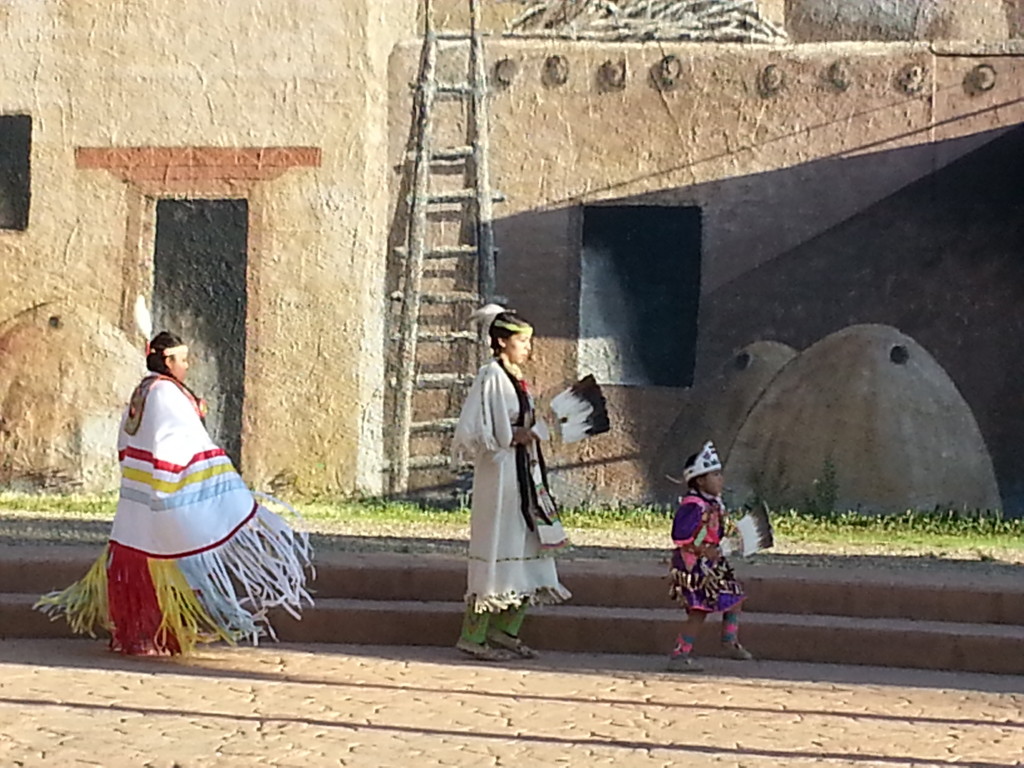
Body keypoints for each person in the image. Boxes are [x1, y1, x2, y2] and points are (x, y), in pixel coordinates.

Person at [36, 331, 312, 656]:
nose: (187, 365)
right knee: (162, 560)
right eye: (182, 359)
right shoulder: (165, 394)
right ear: (167, 361)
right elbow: (180, 444)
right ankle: (154, 634)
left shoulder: (145, 388)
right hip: (159, 492)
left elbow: (128, 442)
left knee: (146, 565)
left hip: (139, 494)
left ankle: (146, 634)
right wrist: (218, 472)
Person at [451, 305, 571, 661]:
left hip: (525, 474)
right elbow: (479, 428)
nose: (527, 348)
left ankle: (505, 630)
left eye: (527, 342)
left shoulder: (515, 377)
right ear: (501, 342)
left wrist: (533, 431)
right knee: (497, 547)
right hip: (501, 475)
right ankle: (473, 635)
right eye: (521, 341)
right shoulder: (490, 375)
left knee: (530, 545)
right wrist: (512, 436)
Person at [666, 441, 753, 672]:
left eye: (719, 473)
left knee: (735, 599)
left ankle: (729, 641)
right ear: (700, 480)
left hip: (714, 564)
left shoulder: (713, 504)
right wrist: (703, 549)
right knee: (698, 610)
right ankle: (679, 655)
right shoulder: (694, 506)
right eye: (715, 474)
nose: (720, 479)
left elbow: (717, 532)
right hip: (694, 567)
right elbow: (680, 535)